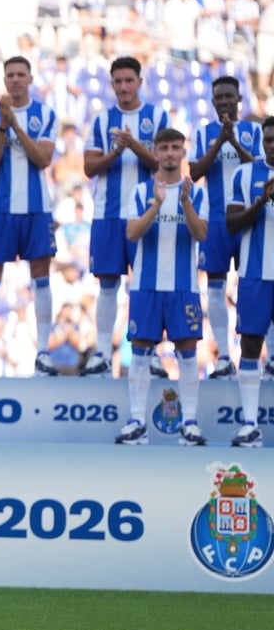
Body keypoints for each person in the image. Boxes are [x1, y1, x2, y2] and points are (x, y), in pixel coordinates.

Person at [114, 128, 208, 446]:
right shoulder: (141, 193)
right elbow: (132, 233)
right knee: (140, 354)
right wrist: (157, 204)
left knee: (188, 354)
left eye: (175, 148)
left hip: (184, 287)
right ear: (155, 153)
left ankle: (190, 422)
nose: (169, 153)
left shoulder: (197, 193)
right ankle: (137, 420)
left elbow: (200, 234)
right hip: (146, 286)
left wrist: (184, 204)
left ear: (183, 152)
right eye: (164, 148)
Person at [82, 56, 169, 378]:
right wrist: (116, 152)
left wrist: (132, 144)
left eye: (128, 80)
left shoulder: (157, 117)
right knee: (107, 284)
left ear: (139, 82)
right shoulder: (102, 121)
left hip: (146, 212)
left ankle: (152, 353)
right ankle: (104, 353)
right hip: (107, 213)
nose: (123, 87)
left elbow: (166, 165)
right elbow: (89, 168)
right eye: (117, 81)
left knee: (146, 284)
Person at [0, 56, 59, 377]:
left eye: (21, 74)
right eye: (10, 75)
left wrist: (16, 127)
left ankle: (44, 352)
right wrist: (2, 126)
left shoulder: (46, 115)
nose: (16, 80)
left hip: (37, 208)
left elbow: (42, 159)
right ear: (4, 80)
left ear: (31, 78)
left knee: (42, 278)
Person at [189, 76, 265, 379]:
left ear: (238, 100)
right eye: (218, 97)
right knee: (216, 286)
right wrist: (219, 142)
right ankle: (222, 356)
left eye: (228, 97)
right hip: (215, 219)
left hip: (249, 219)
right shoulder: (204, 133)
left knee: (257, 286)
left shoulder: (254, 131)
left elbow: (262, 170)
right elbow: (194, 172)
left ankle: (266, 357)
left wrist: (233, 141)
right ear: (211, 102)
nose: (223, 102)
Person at [223, 115, 274, 448]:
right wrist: (261, 200)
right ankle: (250, 424)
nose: (272, 146)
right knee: (251, 346)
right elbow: (231, 223)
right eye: (268, 140)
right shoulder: (244, 174)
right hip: (254, 275)